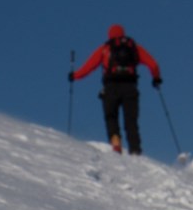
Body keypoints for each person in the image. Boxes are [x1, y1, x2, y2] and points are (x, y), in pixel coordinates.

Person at [69, 24, 162, 155]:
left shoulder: (105, 48)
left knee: (111, 116)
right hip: (130, 87)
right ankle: (135, 149)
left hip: (111, 87)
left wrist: (74, 76)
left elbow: (89, 67)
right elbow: (153, 64)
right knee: (131, 120)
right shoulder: (134, 47)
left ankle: (116, 142)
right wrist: (156, 78)